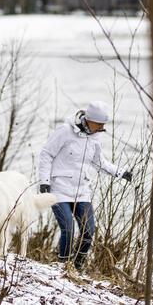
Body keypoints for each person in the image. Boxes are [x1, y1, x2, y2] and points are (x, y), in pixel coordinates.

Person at [37, 101, 132, 271]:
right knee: (68, 228)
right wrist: (44, 182)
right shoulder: (65, 131)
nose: (102, 128)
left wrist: (120, 172)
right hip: (59, 189)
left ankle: (78, 266)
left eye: (103, 125)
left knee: (88, 231)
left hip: (81, 191)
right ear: (88, 120)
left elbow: (98, 163)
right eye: (99, 124)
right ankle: (63, 266)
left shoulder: (95, 138)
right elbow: (46, 154)